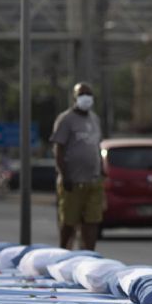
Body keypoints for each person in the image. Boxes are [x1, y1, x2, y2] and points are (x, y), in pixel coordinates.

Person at [51, 82, 105, 251]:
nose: (86, 98)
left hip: (93, 181)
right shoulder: (66, 119)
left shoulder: (94, 119)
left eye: (89, 94)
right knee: (69, 222)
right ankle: (64, 253)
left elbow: (97, 147)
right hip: (72, 182)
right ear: (74, 97)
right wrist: (64, 174)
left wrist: (101, 170)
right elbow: (58, 148)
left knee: (92, 221)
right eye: (82, 94)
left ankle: (89, 254)